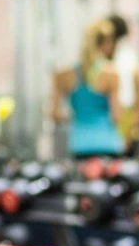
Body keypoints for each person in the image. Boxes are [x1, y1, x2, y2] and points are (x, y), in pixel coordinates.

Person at [50, 19, 124, 158]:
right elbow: (116, 116)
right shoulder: (111, 74)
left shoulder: (63, 74)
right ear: (104, 44)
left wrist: (77, 117)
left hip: (79, 144)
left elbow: (54, 114)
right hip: (108, 144)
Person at [106, 14, 139, 154]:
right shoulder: (129, 56)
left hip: (115, 112)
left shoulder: (109, 58)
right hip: (125, 112)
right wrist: (137, 119)